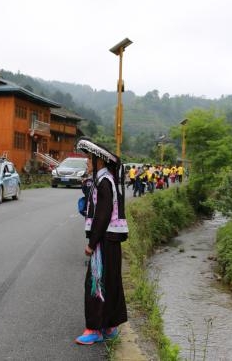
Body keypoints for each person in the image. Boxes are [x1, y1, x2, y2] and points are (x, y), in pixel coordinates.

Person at [74, 138, 128, 345]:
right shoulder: (104, 180)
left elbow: (102, 216)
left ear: (100, 161)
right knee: (109, 281)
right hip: (110, 241)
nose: (87, 162)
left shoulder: (105, 181)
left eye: (90, 158)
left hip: (105, 241)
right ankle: (109, 326)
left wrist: (91, 244)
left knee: (96, 283)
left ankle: (95, 329)